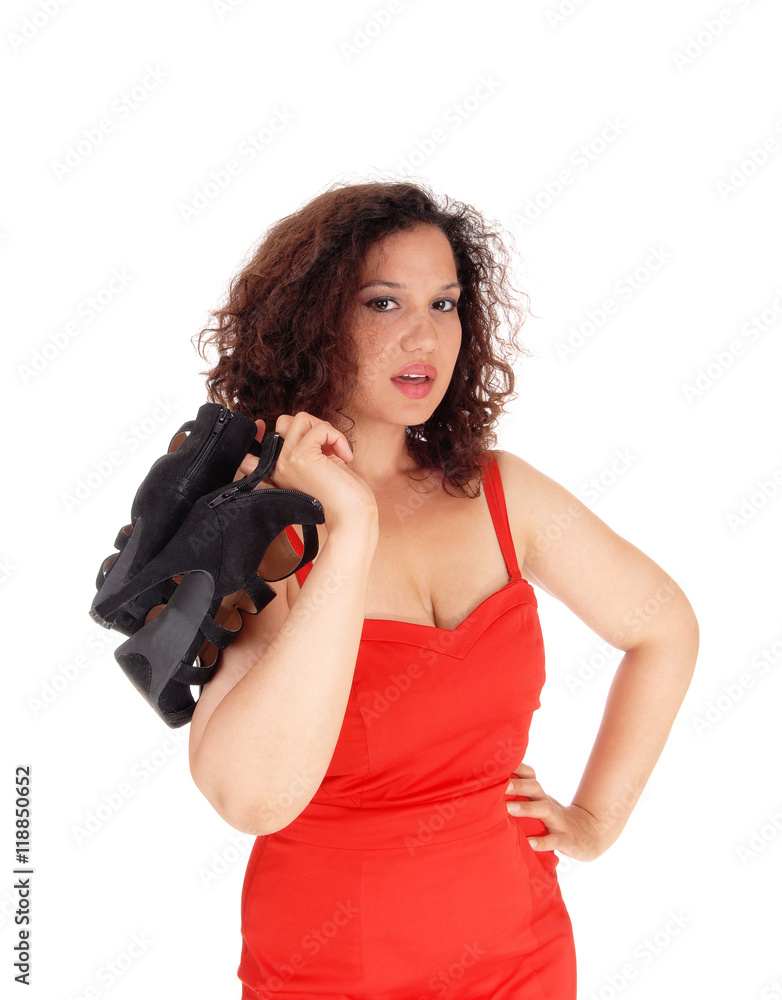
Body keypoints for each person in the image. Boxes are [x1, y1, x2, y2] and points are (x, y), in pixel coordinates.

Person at [187, 179, 699, 998]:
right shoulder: (256, 526)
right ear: (312, 320)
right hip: (332, 969)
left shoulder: (501, 492)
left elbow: (663, 628)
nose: (424, 334)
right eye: (383, 302)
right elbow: (249, 799)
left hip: (523, 956)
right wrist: (351, 528)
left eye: (445, 302)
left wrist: (596, 821)